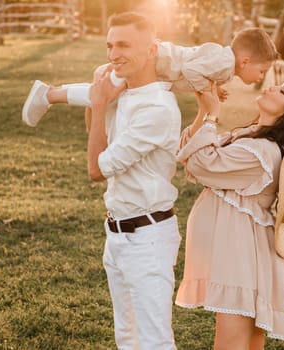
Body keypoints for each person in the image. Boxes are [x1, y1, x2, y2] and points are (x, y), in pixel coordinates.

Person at [175, 79, 284, 349]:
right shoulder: (252, 136)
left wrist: (213, 115)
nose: (273, 87)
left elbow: (202, 164)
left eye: (283, 91)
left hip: (241, 255)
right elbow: (189, 152)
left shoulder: (262, 152)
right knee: (246, 343)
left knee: (231, 343)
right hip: (237, 250)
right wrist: (204, 111)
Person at [86, 12, 181, 349]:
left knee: (154, 342)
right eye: (110, 45)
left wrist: (98, 105)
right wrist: (101, 103)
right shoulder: (125, 96)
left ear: (152, 49)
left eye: (123, 45)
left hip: (148, 238)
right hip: (117, 234)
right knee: (127, 337)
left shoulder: (157, 107)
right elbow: (97, 143)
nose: (113, 54)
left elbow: (96, 170)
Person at [21, 25, 278, 127]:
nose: (260, 77)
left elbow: (198, 71)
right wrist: (209, 89)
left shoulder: (225, 64)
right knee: (106, 92)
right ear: (245, 61)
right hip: (156, 63)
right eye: (261, 71)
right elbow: (191, 71)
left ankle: (57, 95)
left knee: (109, 93)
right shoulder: (224, 63)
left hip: (157, 64)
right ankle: (49, 94)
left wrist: (214, 88)